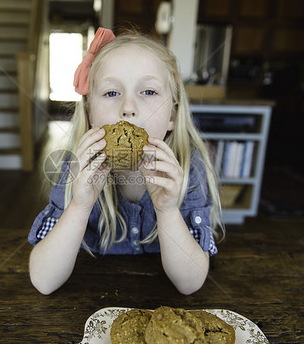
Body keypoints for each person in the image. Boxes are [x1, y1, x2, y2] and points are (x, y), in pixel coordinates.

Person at [28, 28, 223, 295]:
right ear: (90, 115)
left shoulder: (188, 168)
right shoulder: (77, 168)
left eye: (149, 91)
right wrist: (79, 204)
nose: (128, 107)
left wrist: (167, 210)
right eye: (111, 93)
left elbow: (189, 284)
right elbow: (44, 281)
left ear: (172, 115)